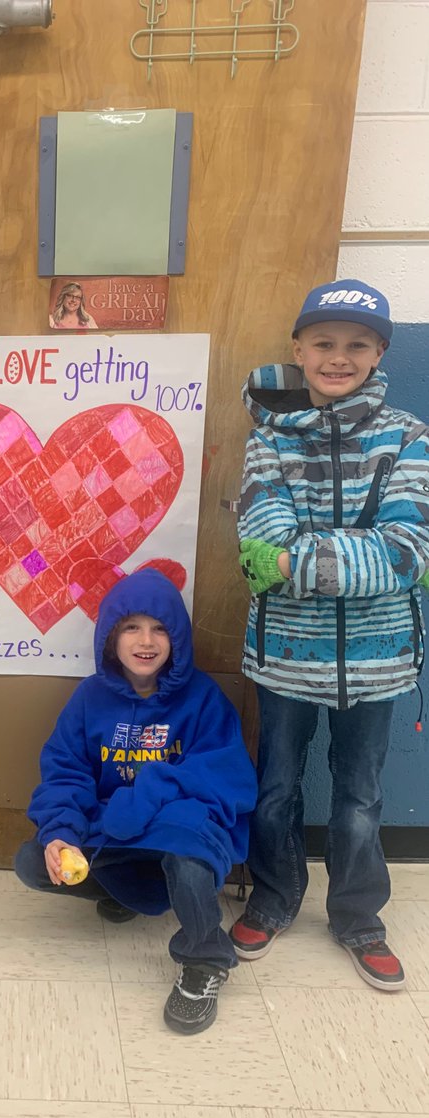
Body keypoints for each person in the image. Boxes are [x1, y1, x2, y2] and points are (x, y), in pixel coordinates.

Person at [231, 279, 429, 991]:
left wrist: (300, 562)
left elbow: (410, 551)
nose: (337, 357)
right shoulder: (267, 442)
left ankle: (357, 916)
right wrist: (358, 557)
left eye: (356, 345)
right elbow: (262, 548)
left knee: (360, 798)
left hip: (379, 663)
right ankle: (272, 897)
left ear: (379, 353)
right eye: (323, 343)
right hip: (285, 656)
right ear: (298, 349)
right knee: (276, 788)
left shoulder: (409, 438)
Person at [15, 569, 257, 1034]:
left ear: (177, 637)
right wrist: (61, 832)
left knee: (187, 851)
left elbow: (228, 777)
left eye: (160, 628)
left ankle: (204, 961)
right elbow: (66, 771)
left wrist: (150, 790)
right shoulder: (89, 697)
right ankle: (127, 891)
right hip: (117, 826)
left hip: (178, 827)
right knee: (33, 861)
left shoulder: (203, 698)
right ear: (111, 636)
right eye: (131, 627)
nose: (146, 641)